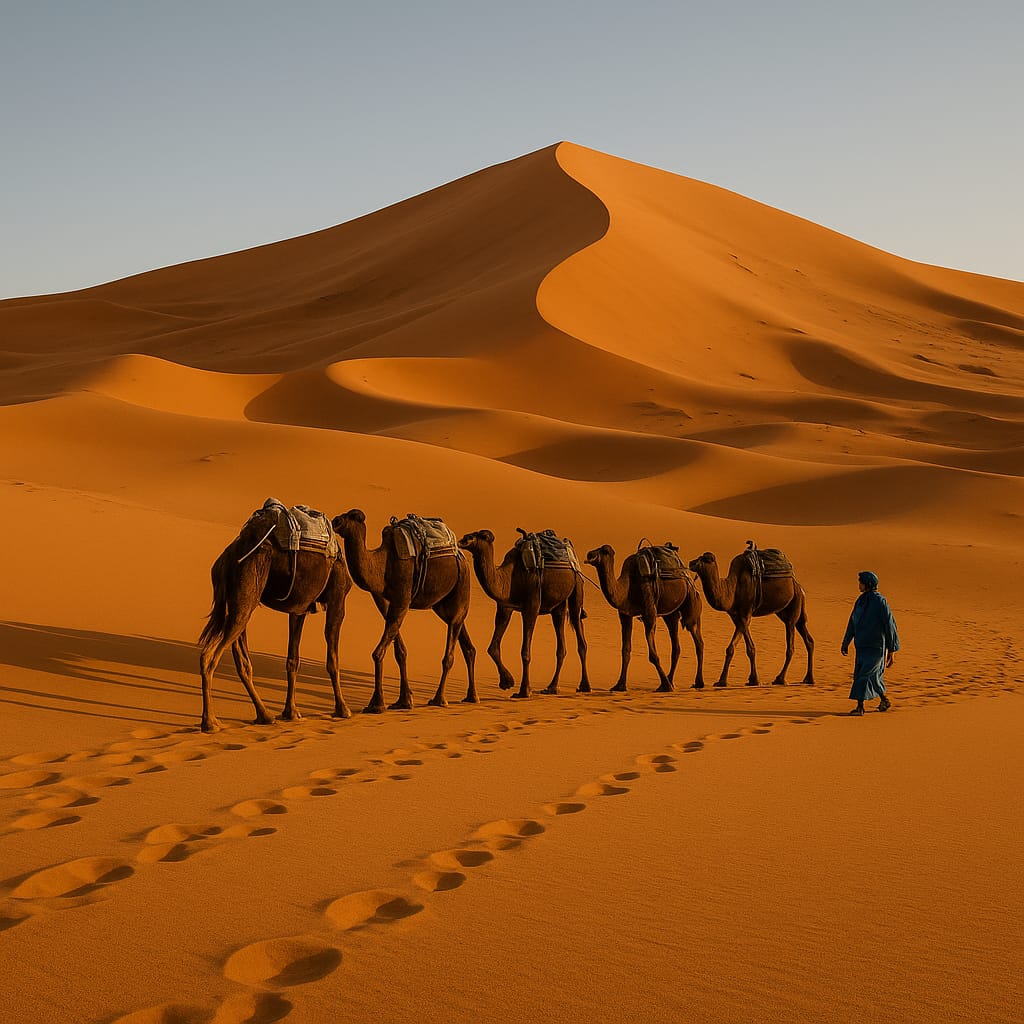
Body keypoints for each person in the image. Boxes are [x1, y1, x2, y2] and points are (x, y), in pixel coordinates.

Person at [841, 570, 899, 715]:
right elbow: (852, 622)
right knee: (868, 675)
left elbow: (890, 624)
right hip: (862, 647)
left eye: (860, 582)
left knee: (864, 675)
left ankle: (860, 707)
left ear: (867, 584)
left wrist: (891, 650)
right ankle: (884, 699)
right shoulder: (860, 601)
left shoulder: (880, 601)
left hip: (876, 647)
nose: (858, 585)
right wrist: (846, 641)